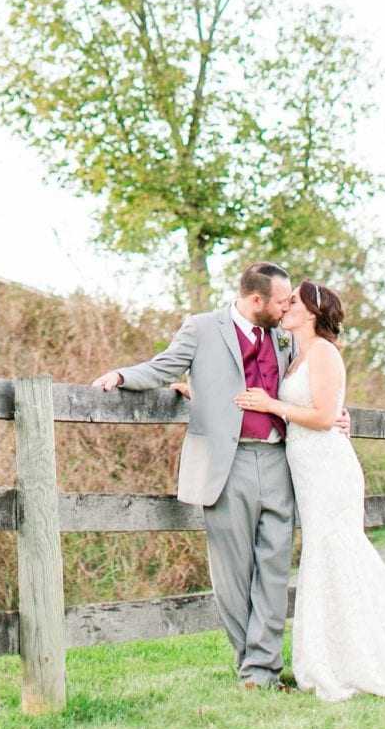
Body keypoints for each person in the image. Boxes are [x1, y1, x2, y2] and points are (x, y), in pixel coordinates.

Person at [92, 262, 312, 690]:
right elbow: (164, 366)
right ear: (255, 301)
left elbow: (303, 384)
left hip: (279, 462)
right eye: (282, 301)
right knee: (232, 574)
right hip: (225, 464)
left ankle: (262, 670)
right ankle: (253, 668)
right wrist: (122, 375)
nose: (288, 308)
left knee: (274, 569)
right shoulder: (202, 328)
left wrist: (333, 411)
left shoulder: (284, 336)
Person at [235, 278, 385, 701]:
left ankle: (364, 660)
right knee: (323, 555)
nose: (285, 306)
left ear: (312, 313)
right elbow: (322, 406)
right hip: (308, 468)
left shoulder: (324, 352)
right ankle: (331, 658)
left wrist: (272, 405)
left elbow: (322, 416)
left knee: (339, 551)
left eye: (293, 301)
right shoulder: (296, 355)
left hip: (329, 469)